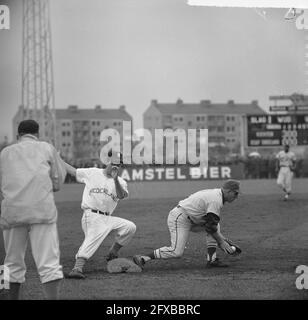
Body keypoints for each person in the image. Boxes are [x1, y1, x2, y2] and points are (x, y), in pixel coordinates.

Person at [0, 119, 66, 300]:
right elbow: (58, 182)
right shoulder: (46, 148)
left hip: (12, 211)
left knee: (9, 263)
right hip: (41, 211)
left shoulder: (4, 153)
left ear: (17, 136)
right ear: (37, 134)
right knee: (49, 264)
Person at [133, 179, 240, 269]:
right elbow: (210, 227)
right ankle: (143, 258)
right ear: (228, 191)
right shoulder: (215, 200)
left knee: (216, 226)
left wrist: (223, 240)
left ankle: (212, 260)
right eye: (236, 193)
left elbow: (211, 225)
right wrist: (222, 242)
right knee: (176, 251)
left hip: (193, 218)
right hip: (180, 218)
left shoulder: (218, 195)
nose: (236, 197)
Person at [65, 151, 136, 279]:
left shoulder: (121, 182)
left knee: (130, 227)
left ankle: (113, 252)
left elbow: (121, 196)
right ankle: (77, 268)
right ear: (108, 161)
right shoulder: (93, 172)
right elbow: (72, 171)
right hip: (91, 215)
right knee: (93, 236)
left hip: (107, 218)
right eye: (114, 163)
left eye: (119, 164)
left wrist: (115, 180)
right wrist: (56, 159)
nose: (116, 166)